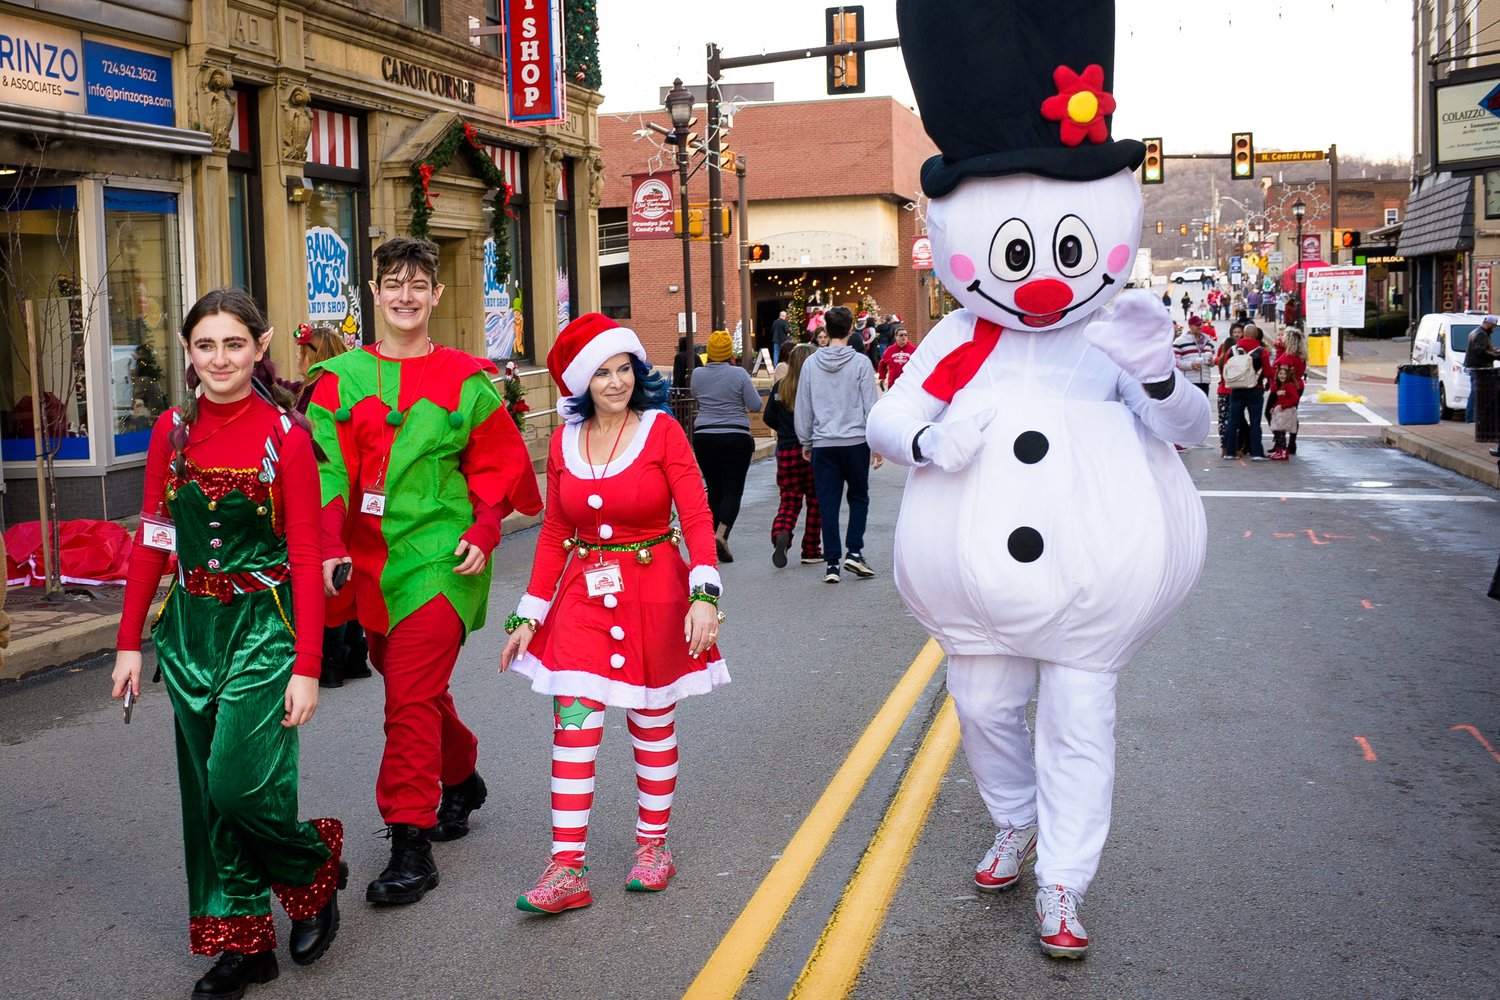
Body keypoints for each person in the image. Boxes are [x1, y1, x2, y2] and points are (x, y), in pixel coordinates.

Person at [110, 288, 345, 997]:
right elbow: (154, 540)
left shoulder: (288, 436)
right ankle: (243, 944)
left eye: (234, 344)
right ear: (188, 353)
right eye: (205, 345)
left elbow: (306, 556)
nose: (220, 359)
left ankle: (310, 871)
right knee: (205, 797)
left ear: (260, 346)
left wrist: (307, 665)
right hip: (187, 632)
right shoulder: (171, 435)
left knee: (238, 783)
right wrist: (130, 643)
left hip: (264, 629)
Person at [307, 236, 542, 905]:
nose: (406, 296)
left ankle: (410, 841)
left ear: (436, 295)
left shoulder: (467, 380)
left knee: (406, 698)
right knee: (416, 688)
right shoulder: (339, 380)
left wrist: (485, 524)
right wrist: (327, 544)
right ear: (374, 295)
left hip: (441, 558)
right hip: (367, 563)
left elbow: (499, 464)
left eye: (418, 284)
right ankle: (462, 775)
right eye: (393, 283)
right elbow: (324, 471)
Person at [500, 312, 728, 914]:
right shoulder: (563, 442)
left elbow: (698, 516)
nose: (616, 381)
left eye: (624, 368)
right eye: (601, 372)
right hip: (581, 599)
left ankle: (653, 848)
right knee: (572, 730)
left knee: (652, 725)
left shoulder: (661, 432)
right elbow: (552, 532)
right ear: (580, 382)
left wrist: (705, 597)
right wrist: (528, 615)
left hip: (656, 593)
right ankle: (566, 868)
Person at [282, 323, 373, 690]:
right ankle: (355, 652)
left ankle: (331, 657)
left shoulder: (318, 390)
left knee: (327, 569)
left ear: (313, 355)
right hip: (351, 489)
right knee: (345, 566)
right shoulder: (339, 384)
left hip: (324, 486)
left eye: (303, 353)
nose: (299, 361)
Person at [795, 306, 881, 583]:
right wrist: (877, 441)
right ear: (850, 329)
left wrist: (806, 439)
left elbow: (804, 405)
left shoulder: (810, 364)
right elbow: (871, 404)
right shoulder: (860, 363)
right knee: (858, 497)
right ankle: (854, 552)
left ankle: (832, 563)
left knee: (827, 503)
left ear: (826, 330)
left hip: (823, 442)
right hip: (855, 440)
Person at [689, 329, 763, 563]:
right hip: (735, 436)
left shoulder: (698, 375)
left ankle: (714, 540)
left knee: (714, 488)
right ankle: (721, 534)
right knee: (732, 490)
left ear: (709, 352)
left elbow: (696, 396)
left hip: (704, 436)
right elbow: (755, 405)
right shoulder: (739, 374)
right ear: (730, 353)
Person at [762, 343, 822, 568]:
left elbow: (768, 417)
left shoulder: (780, 387)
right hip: (812, 449)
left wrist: (783, 429)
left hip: (786, 449)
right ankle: (811, 549)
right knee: (815, 501)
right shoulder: (815, 387)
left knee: (789, 498)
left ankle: (782, 532)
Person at [1223, 324, 1268, 461]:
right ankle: (1256, 453)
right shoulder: (1261, 351)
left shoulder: (1232, 350)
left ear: (1244, 333)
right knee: (1255, 422)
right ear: (1256, 335)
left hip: (1236, 389)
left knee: (1233, 421)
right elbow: (1268, 371)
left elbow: (1225, 368)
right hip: (1255, 389)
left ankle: (1230, 452)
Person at [1464, 314, 1500, 424]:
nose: (1494, 328)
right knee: (1476, 393)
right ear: (1489, 324)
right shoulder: (1481, 334)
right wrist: (1495, 356)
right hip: (1478, 367)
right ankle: (1470, 419)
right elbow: (1480, 350)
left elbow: (1483, 348)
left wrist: (1494, 350)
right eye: (1493, 326)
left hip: (1476, 367)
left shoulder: (1477, 332)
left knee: (1476, 393)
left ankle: (1472, 418)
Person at [1172, 316, 1215, 395]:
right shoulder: (1179, 342)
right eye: (1197, 325)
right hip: (1188, 382)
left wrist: (1212, 362)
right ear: (1190, 326)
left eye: (1201, 324)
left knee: (1202, 407)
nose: (1200, 327)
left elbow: (1212, 361)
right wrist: (1191, 365)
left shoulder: (1208, 341)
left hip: (1204, 381)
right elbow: (1175, 362)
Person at [1267, 361, 1301, 460]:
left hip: (1287, 411)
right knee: (1278, 431)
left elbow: (1295, 398)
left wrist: (1285, 406)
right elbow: (1280, 399)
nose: (1282, 376)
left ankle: (1283, 451)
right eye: (1280, 373)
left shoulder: (1289, 386)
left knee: (1280, 431)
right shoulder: (1280, 386)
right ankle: (1279, 450)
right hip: (1281, 410)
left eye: (1285, 374)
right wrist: (1274, 407)